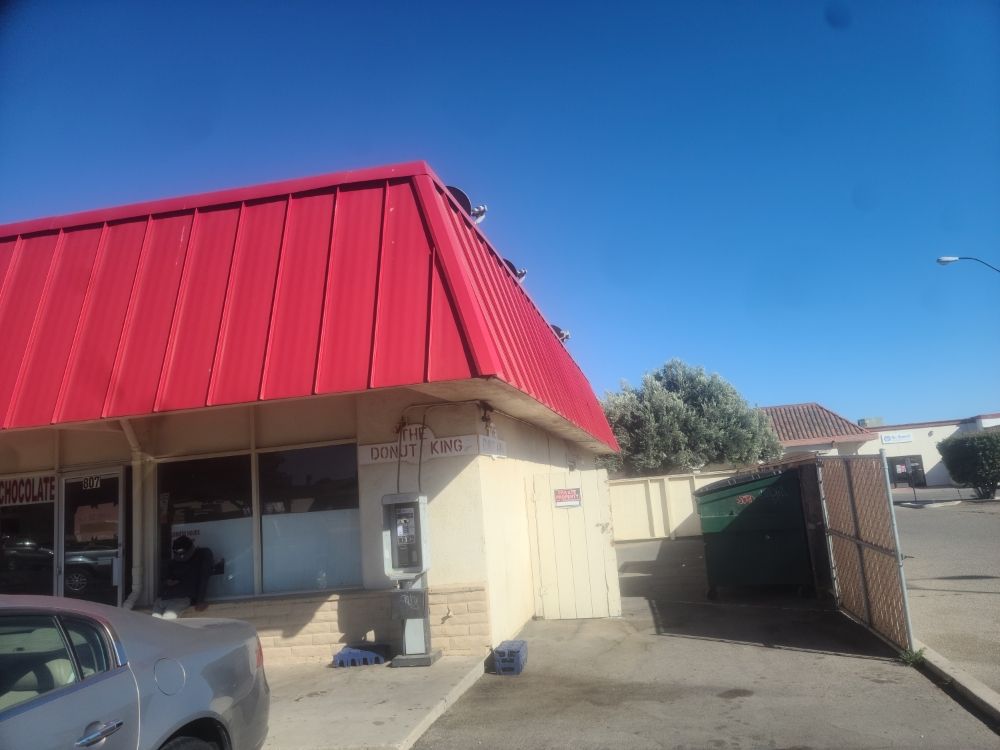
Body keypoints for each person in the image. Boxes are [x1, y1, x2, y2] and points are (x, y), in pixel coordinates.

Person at [152, 535, 213, 619]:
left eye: (183, 553)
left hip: (181, 597)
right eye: (177, 554)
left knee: (168, 619)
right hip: (164, 598)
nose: (181, 556)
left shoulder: (202, 555)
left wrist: (200, 600)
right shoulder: (172, 563)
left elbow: (204, 577)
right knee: (154, 622)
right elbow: (164, 578)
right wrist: (168, 581)